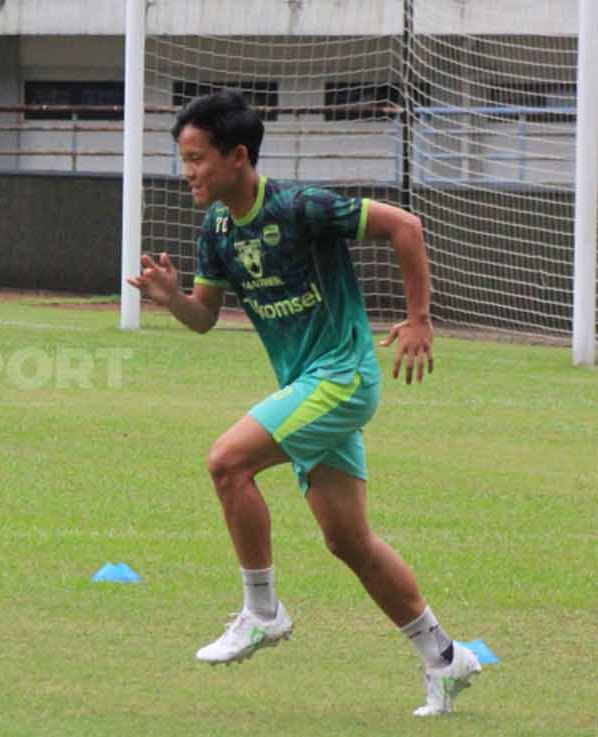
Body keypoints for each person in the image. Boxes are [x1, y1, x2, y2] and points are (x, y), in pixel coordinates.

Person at [127, 90, 479, 716]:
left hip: (341, 376)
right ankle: (447, 659)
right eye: (182, 159)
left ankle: (262, 611)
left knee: (226, 463)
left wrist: (420, 318)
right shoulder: (218, 230)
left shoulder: (302, 206)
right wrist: (173, 299)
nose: (188, 173)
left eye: (197, 158)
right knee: (350, 543)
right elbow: (205, 319)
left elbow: (406, 225)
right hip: (307, 388)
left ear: (238, 156)